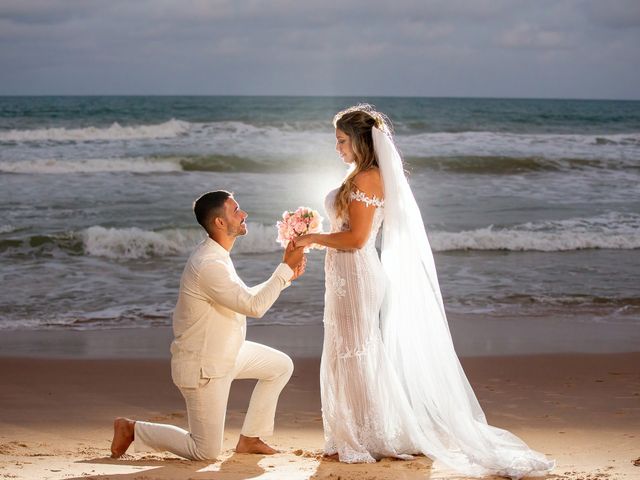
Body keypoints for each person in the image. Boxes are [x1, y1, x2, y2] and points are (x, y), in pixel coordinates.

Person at [293, 105, 555, 478]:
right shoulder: (358, 175)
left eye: (341, 140)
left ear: (361, 141)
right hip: (343, 274)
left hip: (356, 275)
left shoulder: (368, 178)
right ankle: (357, 432)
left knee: (355, 351)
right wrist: (315, 235)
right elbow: (347, 229)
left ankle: (365, 436)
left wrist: (315, 237)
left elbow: (357, 238)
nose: (336, 146)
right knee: (347, 349)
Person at [110, 190, 306, 461]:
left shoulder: (217, 255)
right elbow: (254, 306)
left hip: (227, 353)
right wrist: (284, 269)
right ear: (220, 223)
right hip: (203, 367)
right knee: (205, 452)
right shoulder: (208, 264)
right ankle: (133, 429)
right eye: (236, 210)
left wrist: (285, 277)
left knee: (280, 366)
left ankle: (250, 438)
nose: (244, 214)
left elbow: (246, 299)